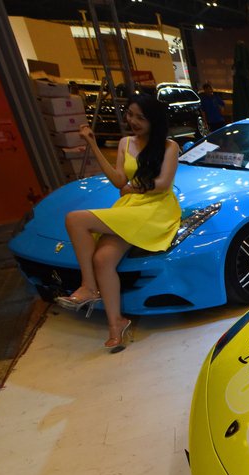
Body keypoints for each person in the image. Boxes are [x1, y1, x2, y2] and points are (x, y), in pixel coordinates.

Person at [55, 94, 181, 352]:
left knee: (75, 219)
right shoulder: (125, 142)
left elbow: (163, 184)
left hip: (157, 209)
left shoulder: (169, 146)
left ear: (154, 120)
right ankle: (117, 325)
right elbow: (118, 181)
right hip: (132, 207)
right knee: (103, 260)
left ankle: (89, 287)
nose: (132, 121)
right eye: (130, 114)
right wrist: (93, 144)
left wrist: (134, 188)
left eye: (140, 117)